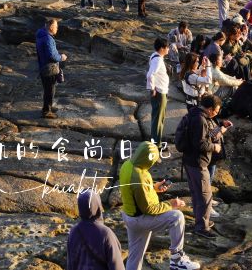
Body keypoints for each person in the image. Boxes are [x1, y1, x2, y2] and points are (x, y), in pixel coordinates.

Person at [118, 141, 200, 270]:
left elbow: (134, 191)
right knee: (176, 217)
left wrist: (154, 188)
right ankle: (177, 259)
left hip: (129, 216)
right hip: (141, 218)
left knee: (134, 257)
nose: (154, 163)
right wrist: (171, 204)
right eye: (154, 161)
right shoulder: (139, 177)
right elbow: (149, 209)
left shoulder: (127, 165)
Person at [181, 95, 231, 239]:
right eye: (216, 111)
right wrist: (215, 147)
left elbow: (203, 136)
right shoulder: (200, 120)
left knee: (197, 194)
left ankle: (199, 222)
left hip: (189, 160)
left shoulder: (194, 113)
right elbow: (200, 144)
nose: (216, 113)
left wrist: (220, 129)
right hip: (198, 162)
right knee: (205, 196)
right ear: (209, 109)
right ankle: (202, 228)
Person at [67, 189, 125, 270]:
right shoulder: (106, 234)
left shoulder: (73, 232)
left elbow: (71, 264)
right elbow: (117, 266)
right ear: (98, 206)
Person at [36, 18, 68, 118]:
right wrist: (61, 57)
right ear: (51, 27)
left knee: (48, 89)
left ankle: (48, 107)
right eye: (56, 27)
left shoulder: (40, 34)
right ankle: (46, 111)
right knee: (50, 90)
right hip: (49, 67)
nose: (57, 29)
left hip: (43, 65)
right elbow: (52, 56)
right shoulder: (48, 38)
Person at [146, 38, 170, 145]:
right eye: (167, 47)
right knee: (158, 120)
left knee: (158, 118)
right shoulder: (158, 60)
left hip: (160, 90)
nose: (168, 49)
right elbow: (150, 75)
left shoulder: (155, 56)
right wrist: (153, 89)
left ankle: (156, 142)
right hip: (159, 93)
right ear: (162, 48)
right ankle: (156, 145)